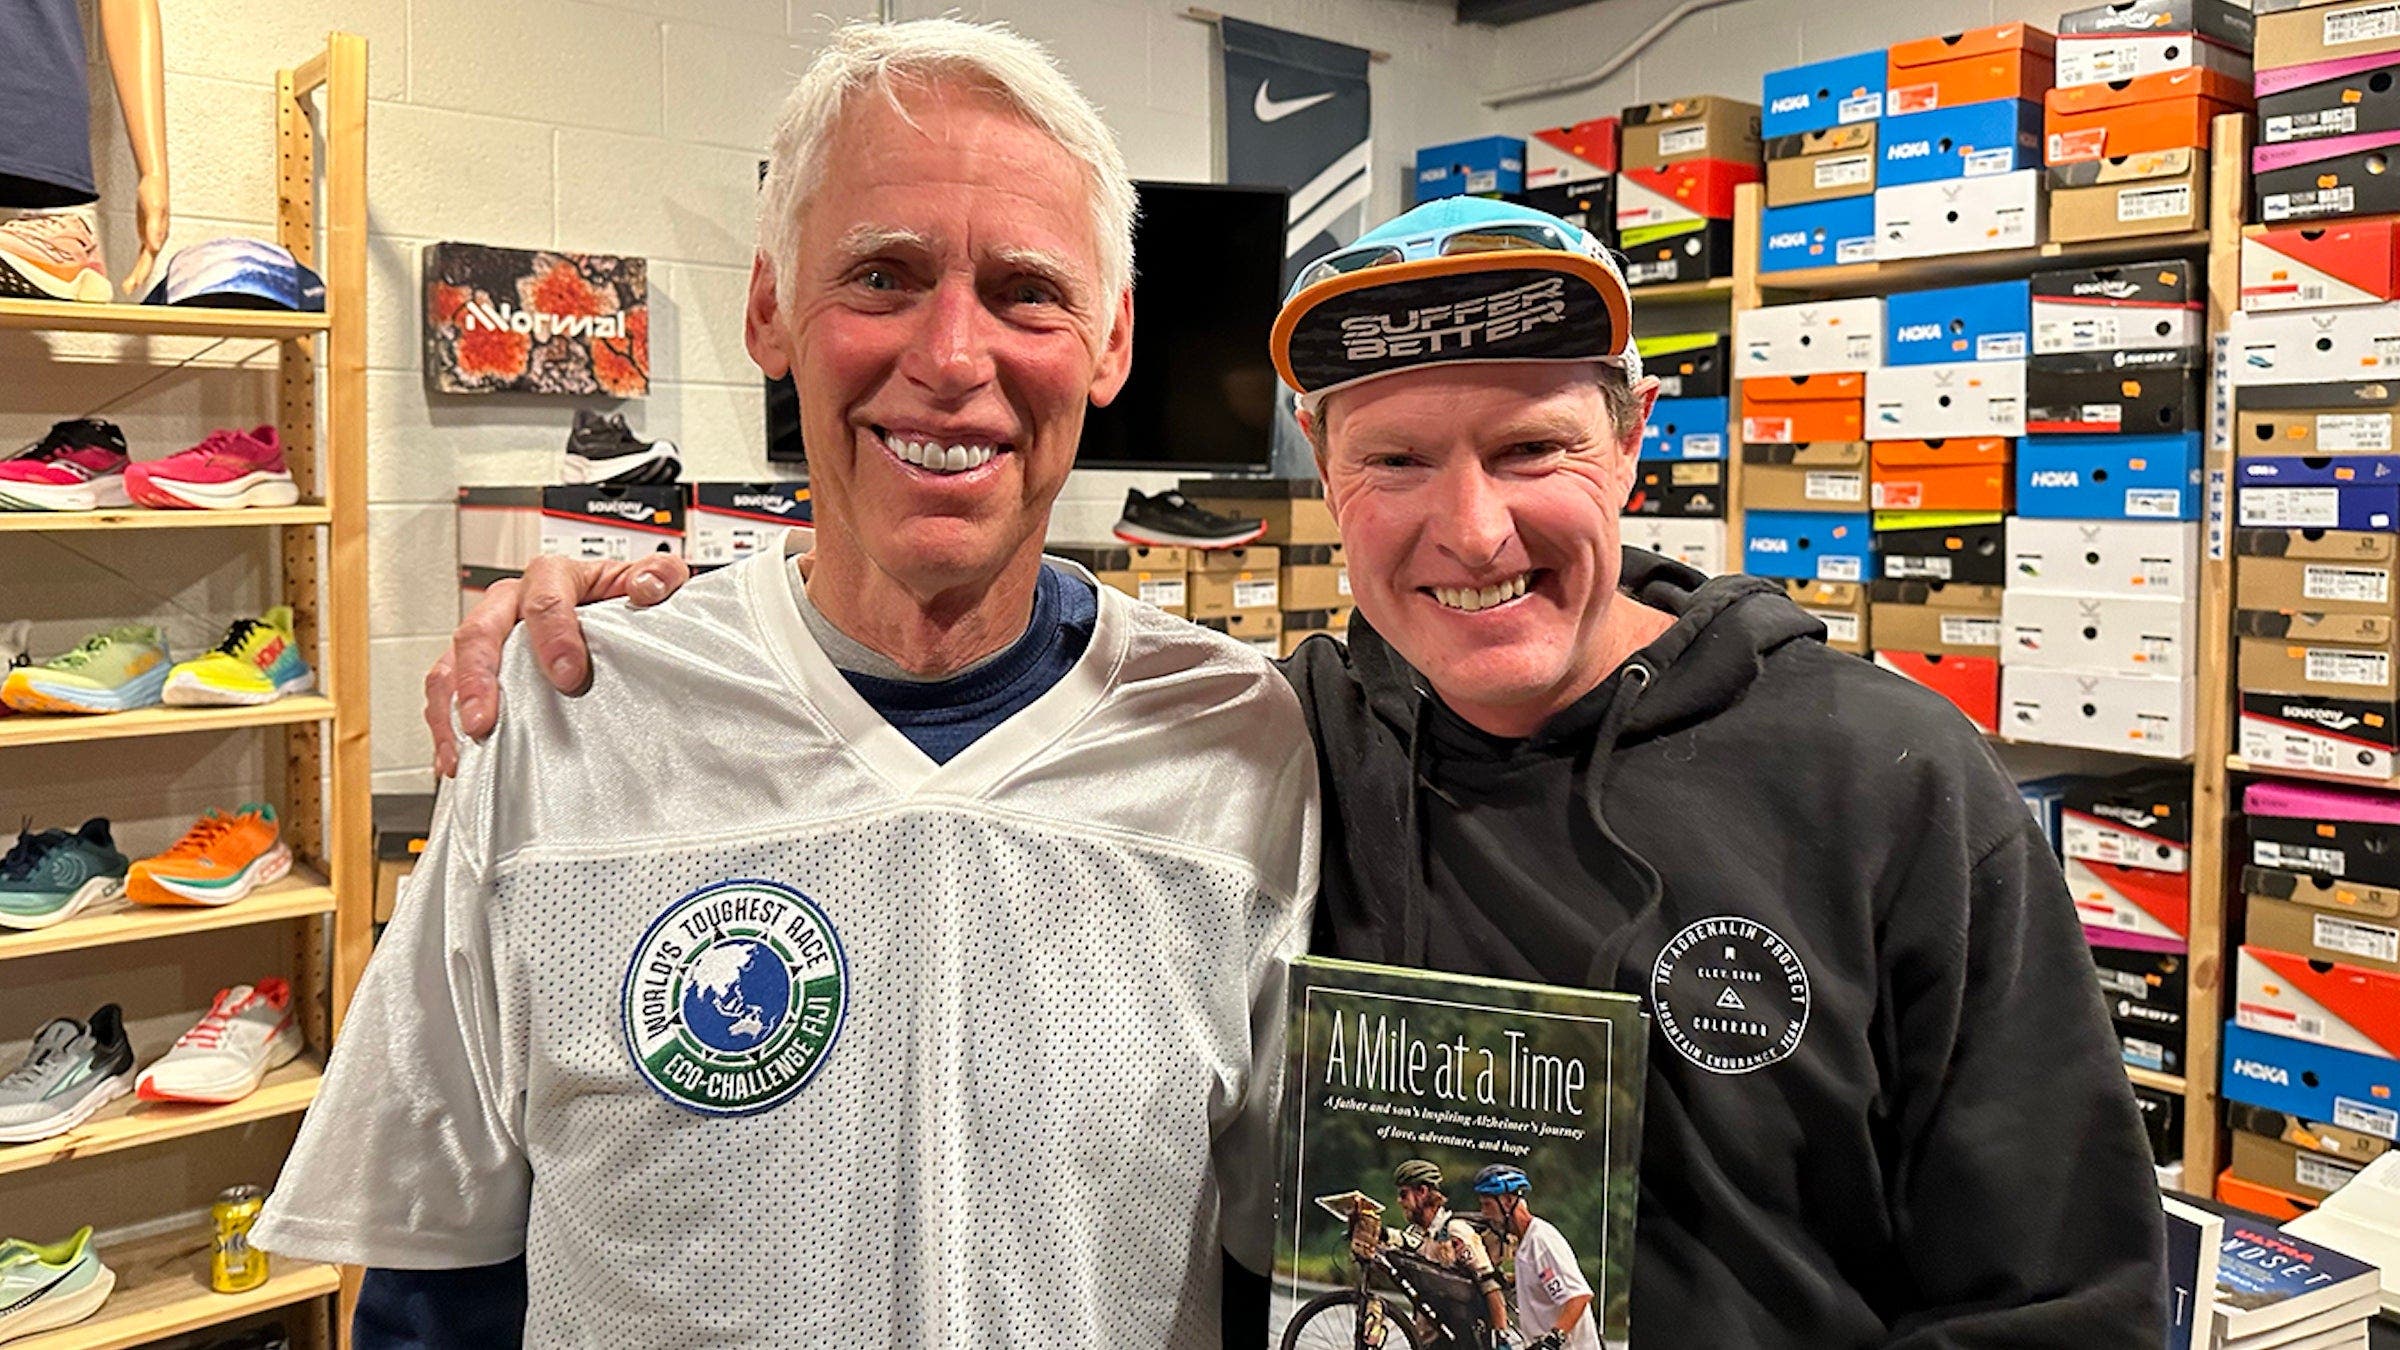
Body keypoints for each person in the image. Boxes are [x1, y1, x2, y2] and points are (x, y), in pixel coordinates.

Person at [431, 196, 2168, 1344]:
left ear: (1633, 442)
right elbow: (971, 666)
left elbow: (2061, 1301)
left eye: (1531, 448)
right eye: (1398, 460)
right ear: (1329, 480)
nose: (1470, 529)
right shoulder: (1266, 740)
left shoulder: (1889, 781)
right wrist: (648, 623)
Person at [260, 20, 1316, 1348]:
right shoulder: (564, 716)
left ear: (1110, 342)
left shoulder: (1242, 746)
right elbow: (439, 1283)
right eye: (882, 275)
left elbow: (1288, 1272)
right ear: (769, 308)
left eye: (1027, 292)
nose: (952, 355)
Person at [1352, 1158, 1509, 1341]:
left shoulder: (1455, 1231)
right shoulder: (1414, 1234)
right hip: (1426, 1339)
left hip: (1458, 1339)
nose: (1399, 1201)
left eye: (1404, 1194)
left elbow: (1490, 1284)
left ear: (1422, 1192)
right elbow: (1388, 1267)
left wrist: (1501, 1336)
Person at [1472, 1165, 1593, 1350]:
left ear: (1507, 1201)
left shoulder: (1541, 1241)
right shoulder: (1525, 1242)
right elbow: (1543, 1282)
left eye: (1487, 1205)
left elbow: (1579, 1297)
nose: (1484, 1213)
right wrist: (1508, 1281)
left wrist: (1553, 1340)